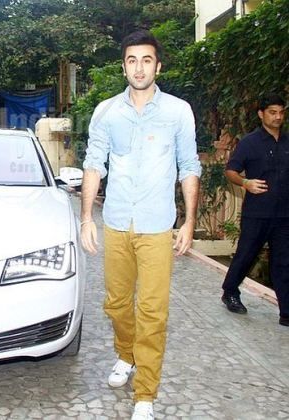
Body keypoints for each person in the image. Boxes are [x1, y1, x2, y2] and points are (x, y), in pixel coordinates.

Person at [80, 30, 201, 420]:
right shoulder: (106, 112)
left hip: (155, 226)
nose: (139, 67)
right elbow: (94, 164)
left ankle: (145, 394)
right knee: (116, 305)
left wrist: (189, 222)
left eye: (146, 60)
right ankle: (126, 354)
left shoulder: (178, 111)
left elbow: (189, 167)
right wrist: (86, 218)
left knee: (152, 311)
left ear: (158, 65)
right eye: (132, 60)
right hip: (116, 222)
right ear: (124, 66)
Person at [221, 93, 288, 326]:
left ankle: (286, 311)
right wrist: (245, 183)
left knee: (283, 262)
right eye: (272, 112)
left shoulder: (288, 142)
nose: (278, 116)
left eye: (281, 112)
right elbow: (231, 171)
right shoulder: (250, 142)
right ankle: (230, 291)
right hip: (257, 213)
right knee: (246, 255)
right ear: (261, 114)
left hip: (284, 216)